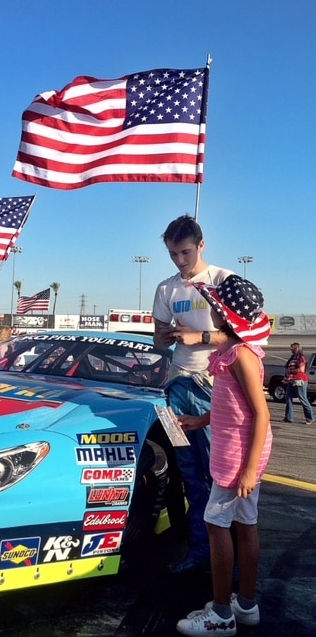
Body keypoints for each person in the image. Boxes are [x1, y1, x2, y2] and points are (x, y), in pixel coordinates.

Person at [175, 275, 272, 636]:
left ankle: (220, 615)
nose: (210, 311)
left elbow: (261, 414)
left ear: (224, 314)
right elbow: (233, 407)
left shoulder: (241, 355)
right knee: (245, 522)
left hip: (237, 456)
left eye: (214, 306)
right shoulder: (233, 350)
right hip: (241, 453)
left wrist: (248, 470)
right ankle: (245, 605)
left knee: (216, 525)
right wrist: (200, 421)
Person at [153, 215, 233, 575]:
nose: (180, 260)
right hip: (176, 389)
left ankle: (226, 561)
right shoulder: (166, 289)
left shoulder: (223, 280)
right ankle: (200, 551)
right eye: (173, 254)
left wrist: (199, 337)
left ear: (201, 245)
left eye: (185, 252)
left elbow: (242, 336)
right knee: (189, 474)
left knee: (218, 475)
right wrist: (166, 336)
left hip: (212, 387)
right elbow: (158, 341)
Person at [283, 342, 314, 425]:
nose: (291, 350)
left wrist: (291, 371)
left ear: (297, 348)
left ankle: (310, 418)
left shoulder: (301, 358)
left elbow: (301, 370)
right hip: (291, 380)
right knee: (288, 397)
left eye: (293, 348)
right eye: (291, 348)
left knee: (302, 398)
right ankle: (289, 417)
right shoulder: (293, 357)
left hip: (299, 380)